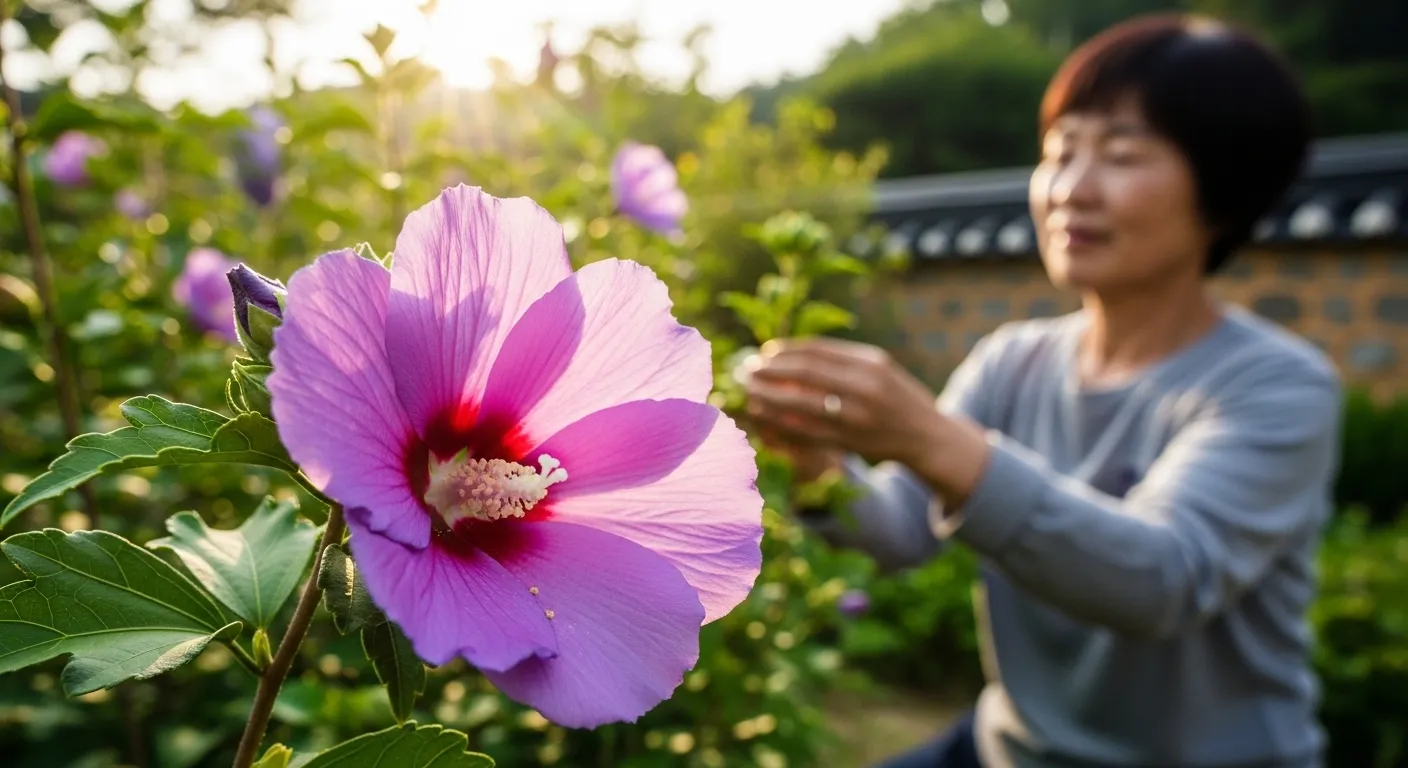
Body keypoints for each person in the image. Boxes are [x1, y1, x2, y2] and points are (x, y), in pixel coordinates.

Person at [740, 13, 1340, 768]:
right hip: (1012, 748)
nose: (1071, 190)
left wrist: (930, 437)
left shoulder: (1277, 386)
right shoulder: (1013, 361)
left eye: (1120, 157)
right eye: (1059, 154)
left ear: (1224, 191)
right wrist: (814, 460)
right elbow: (899, 528)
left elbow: (1162, 579)